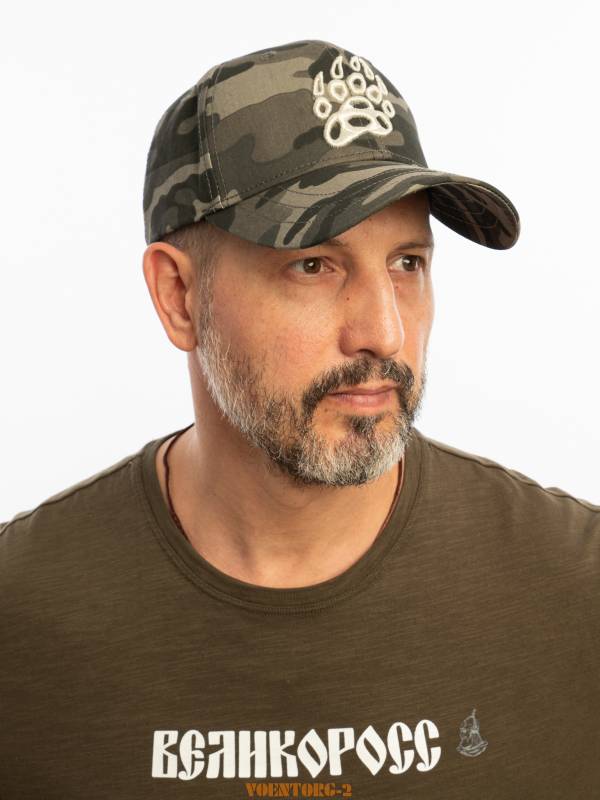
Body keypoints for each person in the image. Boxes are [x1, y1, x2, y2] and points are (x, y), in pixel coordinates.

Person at [0, 39, 597, 799]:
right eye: (313, 265)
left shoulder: (577, 592)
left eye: (407, 263)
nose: (384, 332)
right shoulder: (20, 618)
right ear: (179, 297)